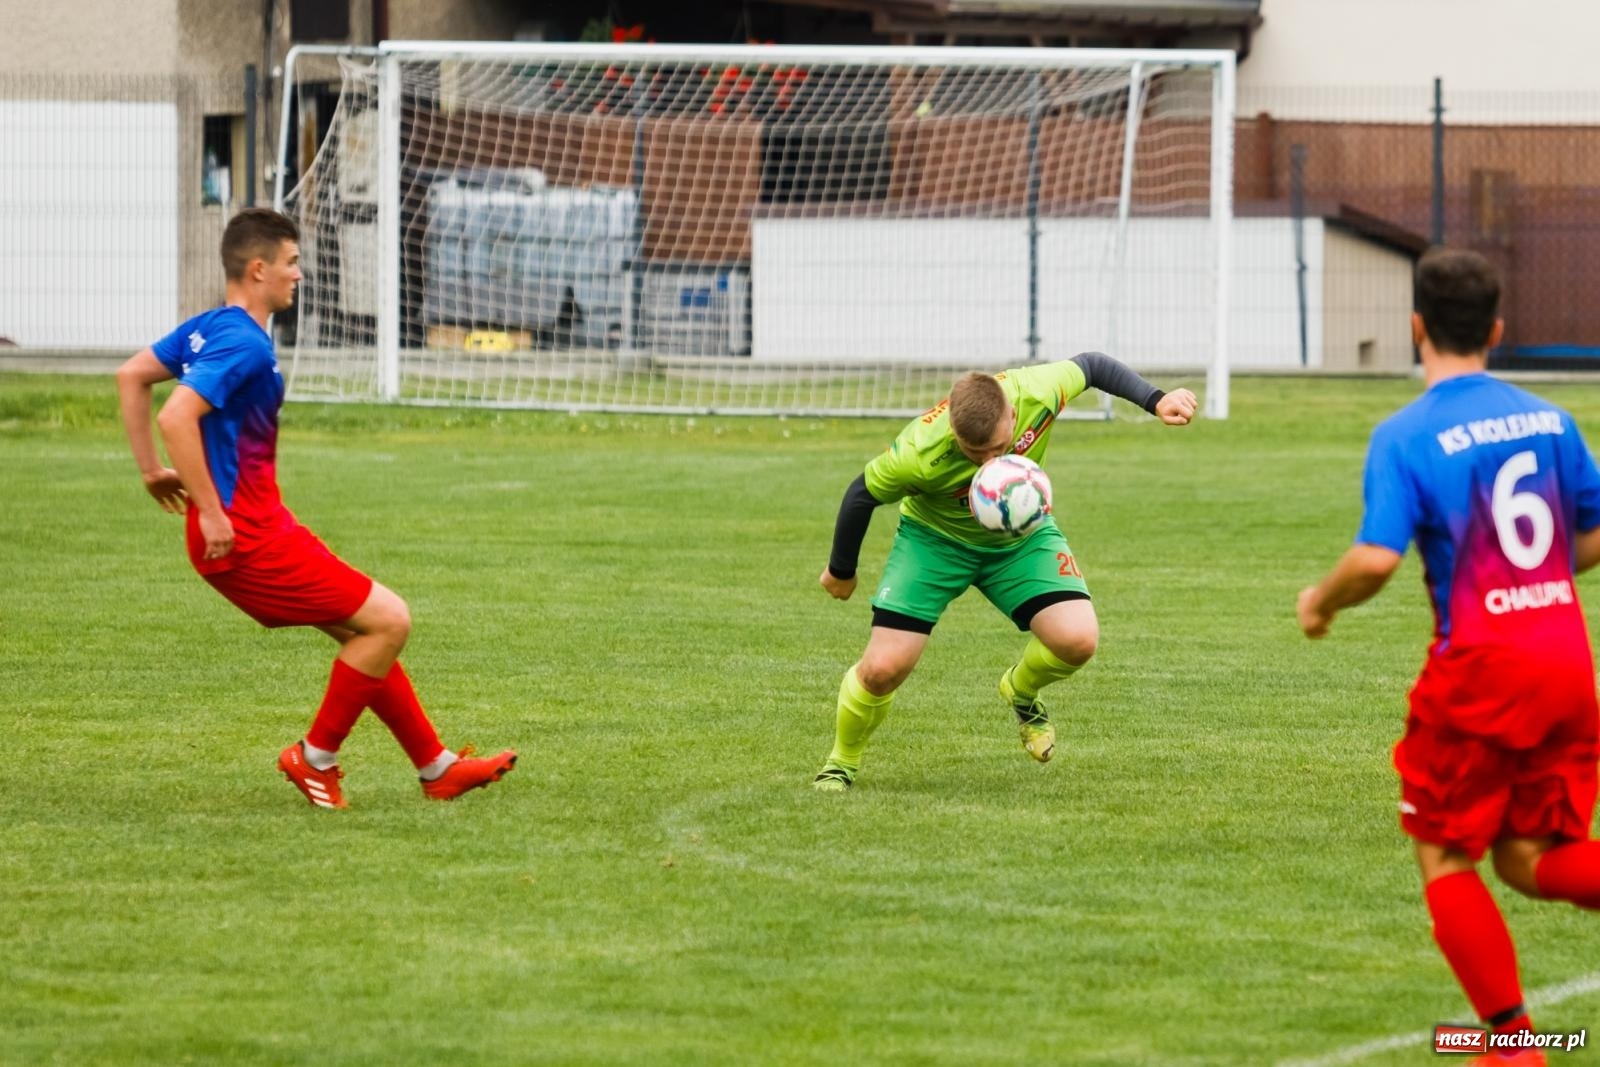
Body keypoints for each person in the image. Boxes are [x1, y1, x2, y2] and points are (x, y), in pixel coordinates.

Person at [1297, 247, 1600, 1065]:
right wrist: (1533, 576)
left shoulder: (1406, 433)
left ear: (1416, 328)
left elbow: (1375, 558)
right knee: (1530, 858)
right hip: (1569, 664)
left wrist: (1319, 603)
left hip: (1484, 669)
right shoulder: (1550, 419)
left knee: (1445, 849)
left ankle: (1510, 1046)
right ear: (1498, 329)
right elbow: (1591, 534)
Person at [116, 208, 516, 809]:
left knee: (367, 633)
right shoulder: (244, 344)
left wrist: (152, 472)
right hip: (245, 538)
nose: (298, 275)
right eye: (292, 262)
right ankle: (315, 757)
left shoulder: (210, 328)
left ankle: (437, 769)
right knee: (390, 621)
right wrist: (212, 510)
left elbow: (132, 375)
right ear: (259, 269)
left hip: (257, 527)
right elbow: (175, 414)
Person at [813, 353, 1198, 791]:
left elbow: (1092, 367)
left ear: (1014, 414)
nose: (989, 464)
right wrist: (840, 570)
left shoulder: (1036, 390)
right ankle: (840, 763)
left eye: (1000, 448)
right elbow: (861, 494)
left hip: (1020, 540)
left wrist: (1155, 399)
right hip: (934, 543)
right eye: (976, 454)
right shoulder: (919, 451)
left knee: (1078, 641)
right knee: (883, 667)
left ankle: (1021, 690)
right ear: (955, 434)